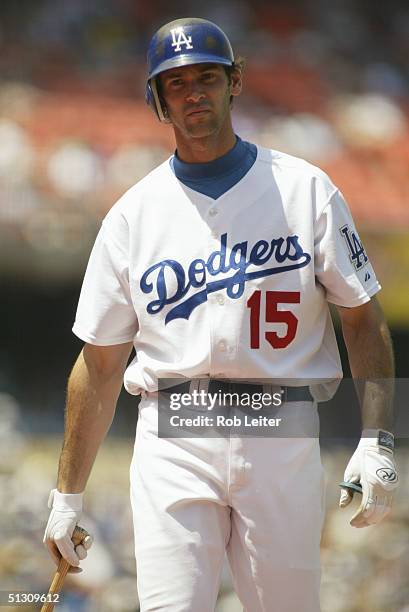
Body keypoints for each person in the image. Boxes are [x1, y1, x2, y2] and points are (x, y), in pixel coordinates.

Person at [44, 17, 398, 612]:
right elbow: (99, 365)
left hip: (280, 429)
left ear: (235, 82)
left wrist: (378, 439)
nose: (193, 93)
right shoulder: (133, 216)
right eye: (175, 83)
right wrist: (67, 496)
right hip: (174, 431)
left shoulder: (306, 190)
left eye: (206, 77)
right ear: (156, 100)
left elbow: (364, 319)